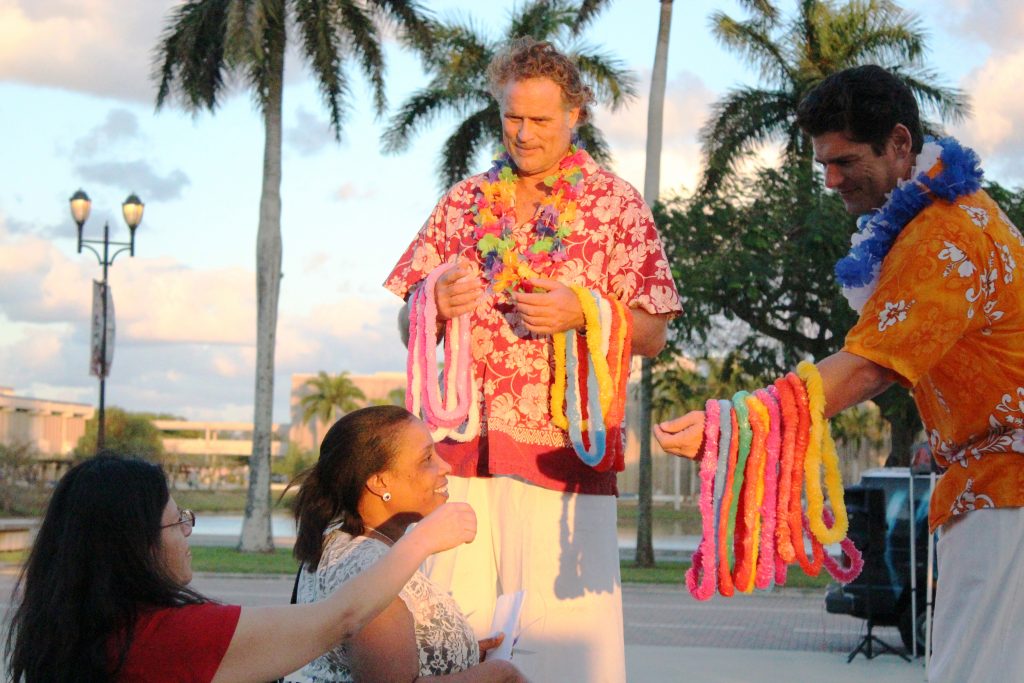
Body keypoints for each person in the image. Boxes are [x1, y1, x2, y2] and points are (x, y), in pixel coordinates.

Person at [655, 64, 1024, 682]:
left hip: (1008, 491)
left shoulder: (946, 234)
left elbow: (870, 368)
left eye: (846, 161)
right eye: (822, 162)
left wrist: (738, 425)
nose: (830, 179)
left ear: (901, 144)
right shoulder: (947, 217)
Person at [385, 37, 681, 682]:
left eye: (541, 120)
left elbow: (655, 331)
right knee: (454, 630)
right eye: (512, 117)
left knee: (563, 639)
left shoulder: (615, 204)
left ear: (576, 114)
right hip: (462, 446)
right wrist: (431, 298)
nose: (523, 134)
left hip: (564, 447)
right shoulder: (464, 202)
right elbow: (408, 321)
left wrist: (584, 312)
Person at [2, 452, 477, 682]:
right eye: (178, 523)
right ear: (135, 546)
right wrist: (423, 542)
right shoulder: (167, 637)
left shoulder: (77, 628)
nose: (187, 535)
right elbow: (341, 618)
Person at [293, 405, 525, 682]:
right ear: (380, 482)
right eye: (427, 458)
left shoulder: (343, 540)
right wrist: (498, 674)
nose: (445, 467)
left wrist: (459, 653)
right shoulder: (368, 567)